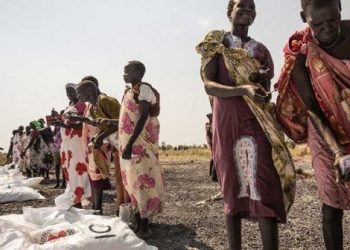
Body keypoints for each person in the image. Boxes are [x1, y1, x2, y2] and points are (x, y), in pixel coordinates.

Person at [196, 1, 296, 249]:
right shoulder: (217, 43)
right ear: (229, 11)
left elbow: (266, 88)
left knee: (264, 183)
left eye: (252, 8)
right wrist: (244, 89)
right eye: (242, 6)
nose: (248, 11)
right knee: (231, 188)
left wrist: (260, 83)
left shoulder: (260, 49)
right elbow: (209, 84)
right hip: (227, 121)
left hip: (257, 120)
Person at [275, 0, 350, 249]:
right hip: (323, 129)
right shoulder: (301, 52)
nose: (327, 29)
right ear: (303, 17)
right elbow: (311, 107)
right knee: (331, 205)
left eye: (333, 20)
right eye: (317, 24)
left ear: (341, 9)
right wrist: (337, 151)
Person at [116, 60, 165, 236]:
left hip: (139, 145)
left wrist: (130, 143)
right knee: (133, 181)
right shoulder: (129, 91)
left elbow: (143, 116)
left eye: (127, 71)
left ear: (137, 73)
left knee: (142, 181)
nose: (124, 75)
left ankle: (144, 225)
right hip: (131, 144)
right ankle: (139, 222)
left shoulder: (143, 89)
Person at [73, 79, 127, 215]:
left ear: (89, 91)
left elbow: (122, 122)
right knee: (121, 179)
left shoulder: (105, 101)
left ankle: (134, 214)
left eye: (79, 94)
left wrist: (102, 137)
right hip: (117, 144)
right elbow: (100, 124)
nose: (78, 98)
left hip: (127, 142)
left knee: (128, 179)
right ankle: (125, 212)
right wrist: (82, 120)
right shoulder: (93, 107)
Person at [52, 83, 91, 208]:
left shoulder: (81, 105)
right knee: (69, 171)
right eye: (67, 92)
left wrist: (66, 125)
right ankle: (75, 197)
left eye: (71, 91)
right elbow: (69, 124)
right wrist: (59, 122)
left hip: (77, 144)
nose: (69, 94)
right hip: (67, 144)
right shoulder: (69, 106)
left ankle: (79, 198)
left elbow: (83, 124)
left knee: (77, 170)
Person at [205, 113, 218, 182]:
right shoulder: (210, 126)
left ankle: (211, 173)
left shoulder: (208, 126)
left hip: (212, 143)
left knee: (213, 157)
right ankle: (214, 176)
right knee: (215, 158)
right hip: (213, 143)